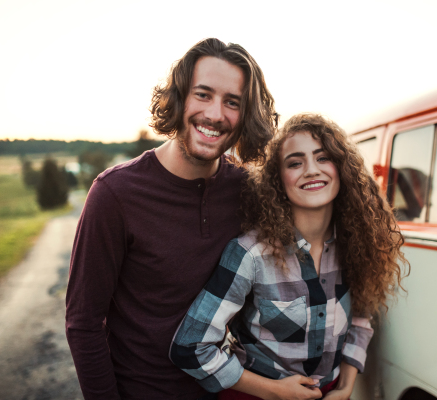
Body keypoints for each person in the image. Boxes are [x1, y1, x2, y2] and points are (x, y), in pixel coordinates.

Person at [65, 38, 278, 400]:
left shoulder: (247, 191)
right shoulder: (115, 194)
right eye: (203, 94)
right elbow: (83, 323)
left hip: (227, 389)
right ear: (180, 98)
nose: (214, 114)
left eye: (232, 102)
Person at [170, 113, 407, 399]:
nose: (311, 170)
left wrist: (346, 386)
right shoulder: (251, 254)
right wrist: (274, 391)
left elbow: (360, 317)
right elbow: (190, 346)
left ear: (342, 168)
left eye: (323, 158)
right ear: (277, 180)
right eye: (295, 163)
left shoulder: (356, 244)